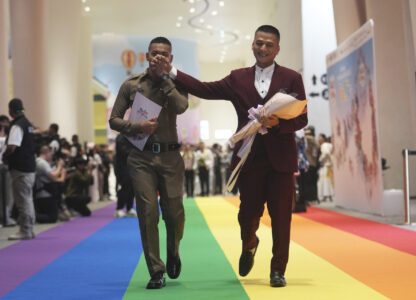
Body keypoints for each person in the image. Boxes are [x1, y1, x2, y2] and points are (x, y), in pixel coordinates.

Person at [156, 25, 307, 287]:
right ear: (252, 45)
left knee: (282, 217)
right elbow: (203, 88)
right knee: (247, 215)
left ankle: (277, 270)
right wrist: (171, 71)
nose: (263, 48)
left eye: (269, 45)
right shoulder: (237, 78)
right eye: (259, 43)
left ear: (277, 49)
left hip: (281, 158)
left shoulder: (292, 78)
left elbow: (302, 117)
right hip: (248, 158)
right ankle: (250, 243)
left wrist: (276, 124)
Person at [109, 37, 188, 289]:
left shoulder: (177, 82)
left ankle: (173, 249)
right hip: (140, 157)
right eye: (155, 53)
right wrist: (136, 126)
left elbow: (181, 106)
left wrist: (165, 79)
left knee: (174, 213)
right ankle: (156, 270)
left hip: (171, 157)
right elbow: (114, 120)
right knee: (147, 212)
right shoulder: (131, 85)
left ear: (171, 58)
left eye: (164, 54)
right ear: (147, 56)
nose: (159, 58)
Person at [3, 98, 37, 240]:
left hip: (20, 168)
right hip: (29, 167)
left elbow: (12, 146)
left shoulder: (17, 126)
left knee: (22, 200)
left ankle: (25, 230)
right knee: (27, 199)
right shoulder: (28, 124)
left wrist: (4, 155)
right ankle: (29, 228)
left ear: (10, 110)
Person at [34, 145, 66, 223]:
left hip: (46, 193)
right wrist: (59, 166)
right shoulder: (41, 162)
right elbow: (54, 177)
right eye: (51, 154)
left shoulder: (40, 162)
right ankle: (30, 217)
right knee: (52, 217)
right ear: (47, 153)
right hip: (45, 194)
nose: (51, 156)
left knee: (56, 216)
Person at [114, 134, 136, 218]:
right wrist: (136, 150)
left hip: (131, 166)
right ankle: (119, 208)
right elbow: (123, 151)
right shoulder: (121, 137)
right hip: (122, 167)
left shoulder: (131, 137)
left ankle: (129, 208)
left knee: (132, 188)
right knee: (124, 188)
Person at [317, 134, 334, 202]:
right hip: (328, 165)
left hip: (326, 165)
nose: (318, 139)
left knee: (326, 181)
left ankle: (327, 195)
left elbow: (326, 153)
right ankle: (328, 195)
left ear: (323, 138)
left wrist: (320, 160)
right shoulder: (328, 144)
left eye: (319, 137)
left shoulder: (324, 145)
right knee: (328, 181)